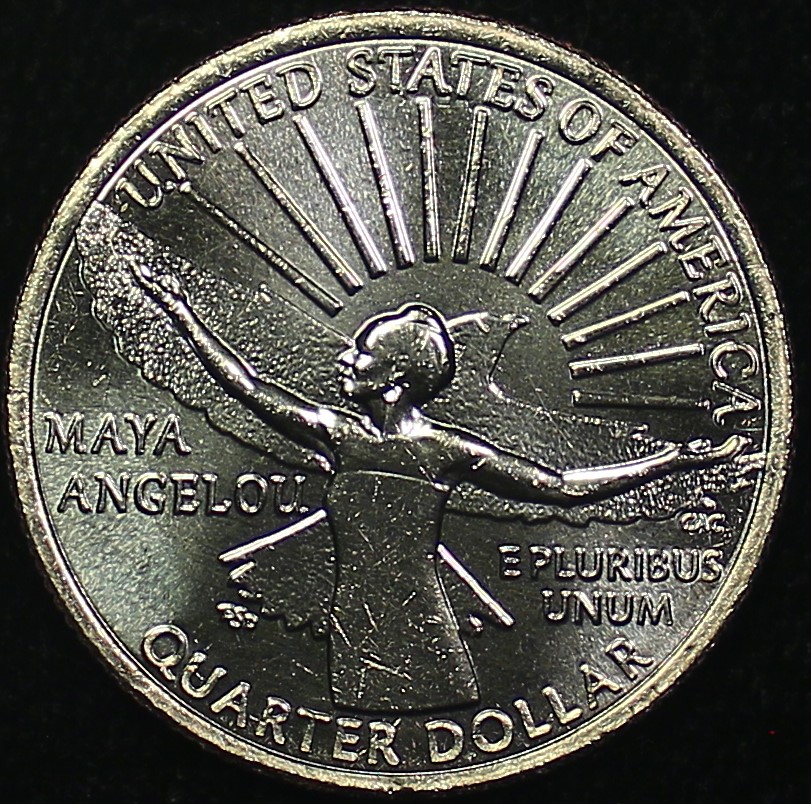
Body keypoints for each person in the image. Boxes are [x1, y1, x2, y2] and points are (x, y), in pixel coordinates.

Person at [130, 262, 749, 713]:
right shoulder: (340, 434)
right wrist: (183, 314)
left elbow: (560, 486)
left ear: (395, 380)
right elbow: (248, 386)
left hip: (416, 621)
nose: (346, 359)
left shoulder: (444, 451)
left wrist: (670, 461)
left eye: (362, 354)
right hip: (354, 621)